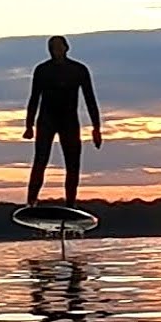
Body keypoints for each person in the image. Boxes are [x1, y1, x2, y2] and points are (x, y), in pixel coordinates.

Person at [23, 35, 102, 208]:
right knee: (40, 161)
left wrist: (96, 128)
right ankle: (31, 201)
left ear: (66, 48)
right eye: (52, 48)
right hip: (46, 120)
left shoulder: (79, 70)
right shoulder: (42, 70)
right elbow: (34, 98)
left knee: (73, 164)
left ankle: (71, 204)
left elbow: (90, 99)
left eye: (58, 47)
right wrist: (29, 126)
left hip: (69, 121)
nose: (55, 51)